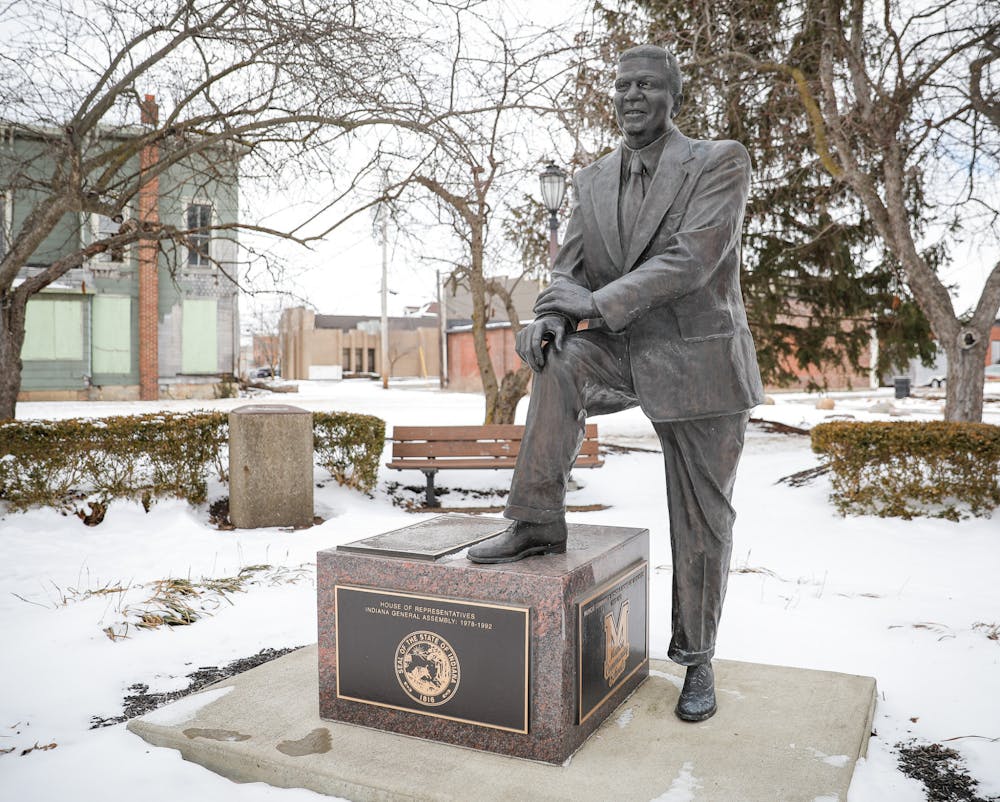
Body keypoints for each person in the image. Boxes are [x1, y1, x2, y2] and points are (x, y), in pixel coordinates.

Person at [467, 44, 764, 722]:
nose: (633, 96)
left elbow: (693, 259)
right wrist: (549, 315)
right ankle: (537, 521)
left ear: (674, 97)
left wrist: (593, 307)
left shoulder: (719, 161)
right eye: (624, 85)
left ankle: (697, 659)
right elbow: (568, 269)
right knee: (562, 361)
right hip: (622, 351)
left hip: (700, 360)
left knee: (702, 520)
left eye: (649, 85)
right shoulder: (591, 180)